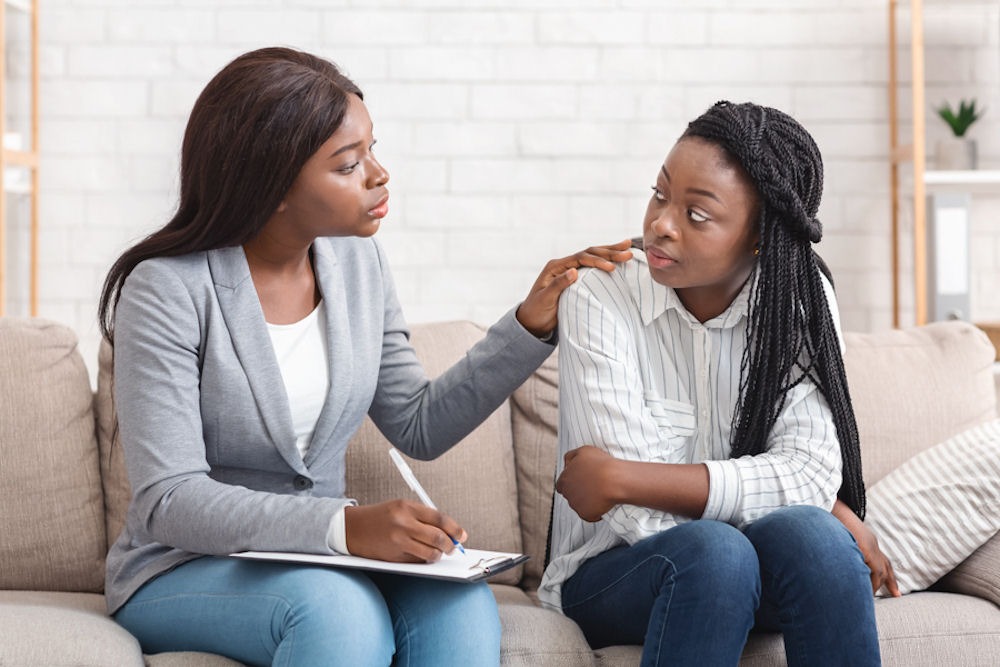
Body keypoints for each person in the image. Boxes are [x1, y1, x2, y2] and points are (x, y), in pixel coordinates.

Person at [96, 46, 633, 667]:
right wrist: (342, 527)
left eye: (372, 151)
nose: (379, 175)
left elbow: (417, 423)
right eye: (349, 164)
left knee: (459, 603)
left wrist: (529, 323)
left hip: (319, 561)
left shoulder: (357, 263)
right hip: (185, 565)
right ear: (271, 183)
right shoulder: (167, 288)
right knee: (337, 613)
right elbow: (169, 499)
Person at [538, 101, 899, 666]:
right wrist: (797, 495)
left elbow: (809, 473)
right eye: (660, 194)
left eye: (697, 214)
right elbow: (633, 517)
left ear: (758, 237)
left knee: (819, 544)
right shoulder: (599, 297)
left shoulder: (798, 299)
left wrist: (624, 477)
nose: (661, 223)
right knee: (721, 553)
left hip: (742, 566)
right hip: (615, 571)